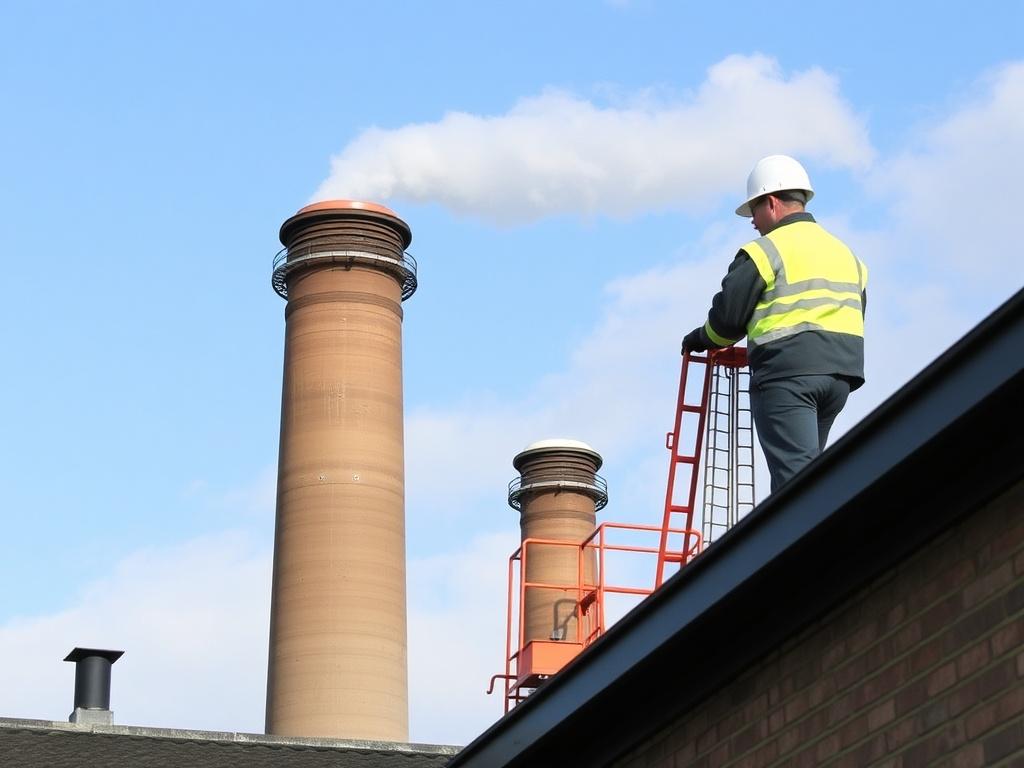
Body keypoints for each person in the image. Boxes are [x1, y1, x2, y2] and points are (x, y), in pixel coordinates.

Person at [681, 155, 867, 492]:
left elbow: (727, 321)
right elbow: (856, 311)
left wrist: (699, 338)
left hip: (788, 376)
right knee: (812, 473)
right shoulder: (846, 254)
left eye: (753, 211)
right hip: (840, 378)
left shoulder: (765, 251)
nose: (752, 222)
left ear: (771, 203)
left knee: (796, 485)